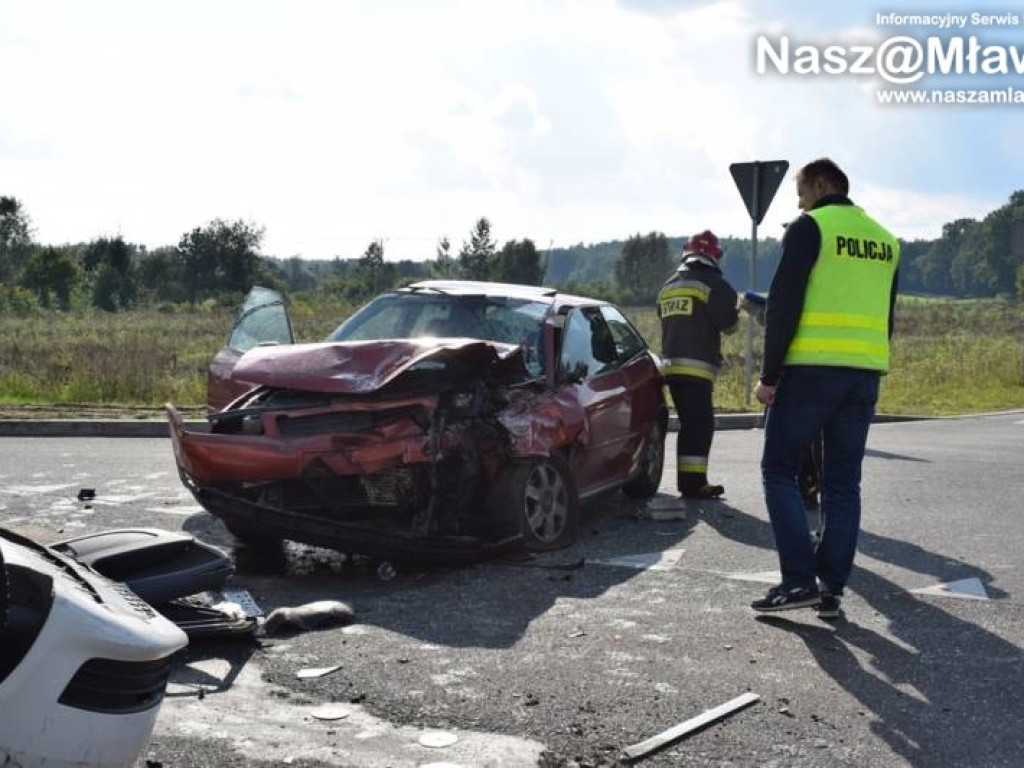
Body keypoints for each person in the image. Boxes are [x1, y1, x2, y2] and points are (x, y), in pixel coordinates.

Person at [750, 158, 900, 619]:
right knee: (842, 484)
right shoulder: (886, 240)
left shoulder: (810, 227)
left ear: (821, 183)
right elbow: (887, 317)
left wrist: (770, 375)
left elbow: (783, 304)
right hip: (864, 374)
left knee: (778, 470)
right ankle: (830, 587)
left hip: (810, 371)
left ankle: (798, 581)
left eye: (801, 192)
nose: (798, 202)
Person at [656, 230, 739, 499]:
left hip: (668, 366)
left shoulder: (667, 286)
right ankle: (693, 484)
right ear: (715, 256)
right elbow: (729, 325)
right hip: (696, 368)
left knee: (690, 424)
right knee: (700, 425)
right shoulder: (715, 284)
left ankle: (691, 482)